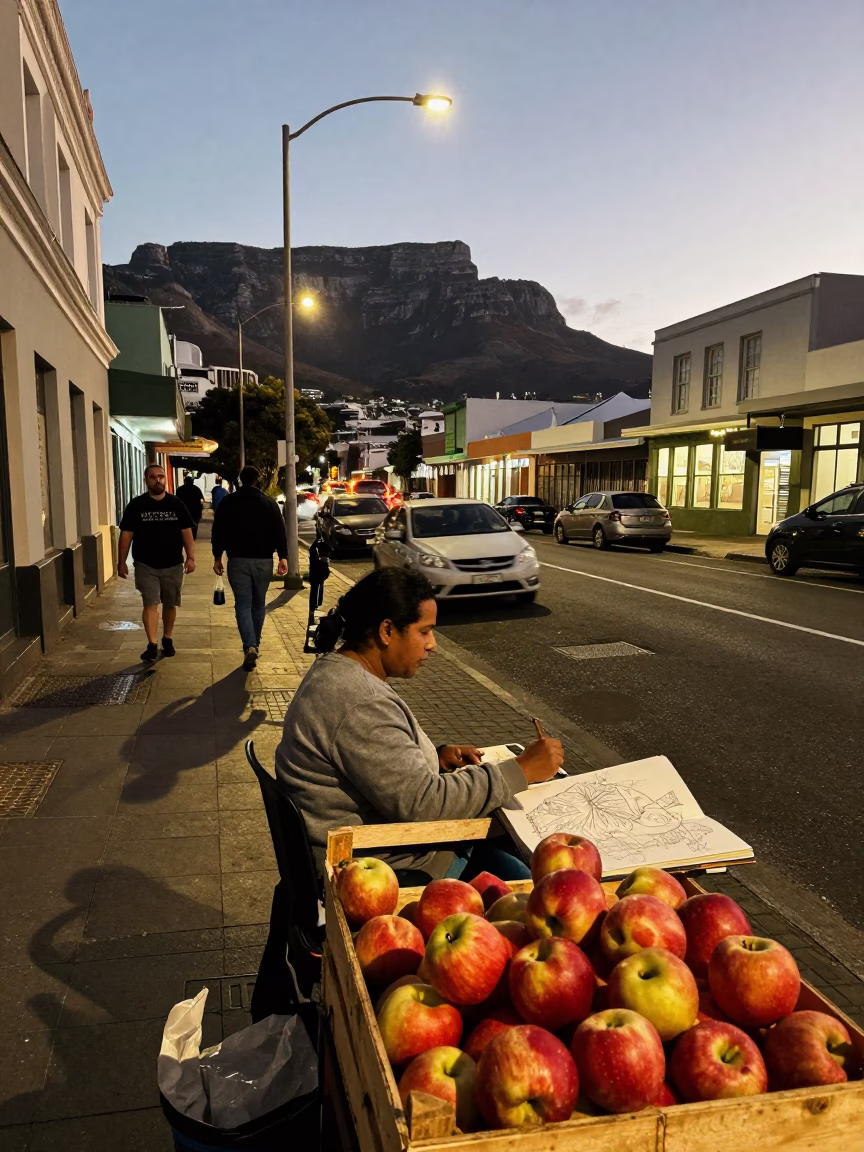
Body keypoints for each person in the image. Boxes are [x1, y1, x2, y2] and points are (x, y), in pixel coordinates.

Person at [275, 568, 564, 882]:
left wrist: (435, 758)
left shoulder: (340, 675)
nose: (432, 645)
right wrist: (521, 770)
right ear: (387, 631)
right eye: (424, 631)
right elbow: (425, 804)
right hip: (389, 869)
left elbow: (380, 767)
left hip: (381, 852)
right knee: (531, 875)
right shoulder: (360, 700)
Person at [212, 465, 288, 669]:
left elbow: (218, 530)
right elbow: (279, 531)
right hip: (264, 561)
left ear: (240, 479)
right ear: (258, 480)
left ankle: (249, 645)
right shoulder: (269, 503)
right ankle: (255, 644)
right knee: (258, 603)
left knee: (243, 604)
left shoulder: (229, 502)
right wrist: (283, 557)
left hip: (237, 561)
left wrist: (217, 556)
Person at [118, 463, 196, 661]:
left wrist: (191, 557)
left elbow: (186, 532)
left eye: (161, 476)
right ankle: (152, 644)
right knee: (150, 603)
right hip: (146, 564)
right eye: (153, 477)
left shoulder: (176, 504)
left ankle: (167, 638)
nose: (158, 480)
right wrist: (121, 561)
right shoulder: (136, 505)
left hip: (173, 564)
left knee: (170, 604)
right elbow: (126, 535)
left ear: (165, 479)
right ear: (146, 480)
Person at [175, 474, 206, 539]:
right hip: (195, 511)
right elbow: (202, 500)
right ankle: (192, 538)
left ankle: (184, 538)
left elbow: (176, 500)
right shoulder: (196, 489)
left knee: (183, 526)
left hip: (183, 511)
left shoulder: (180, 489)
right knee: (194, 526)